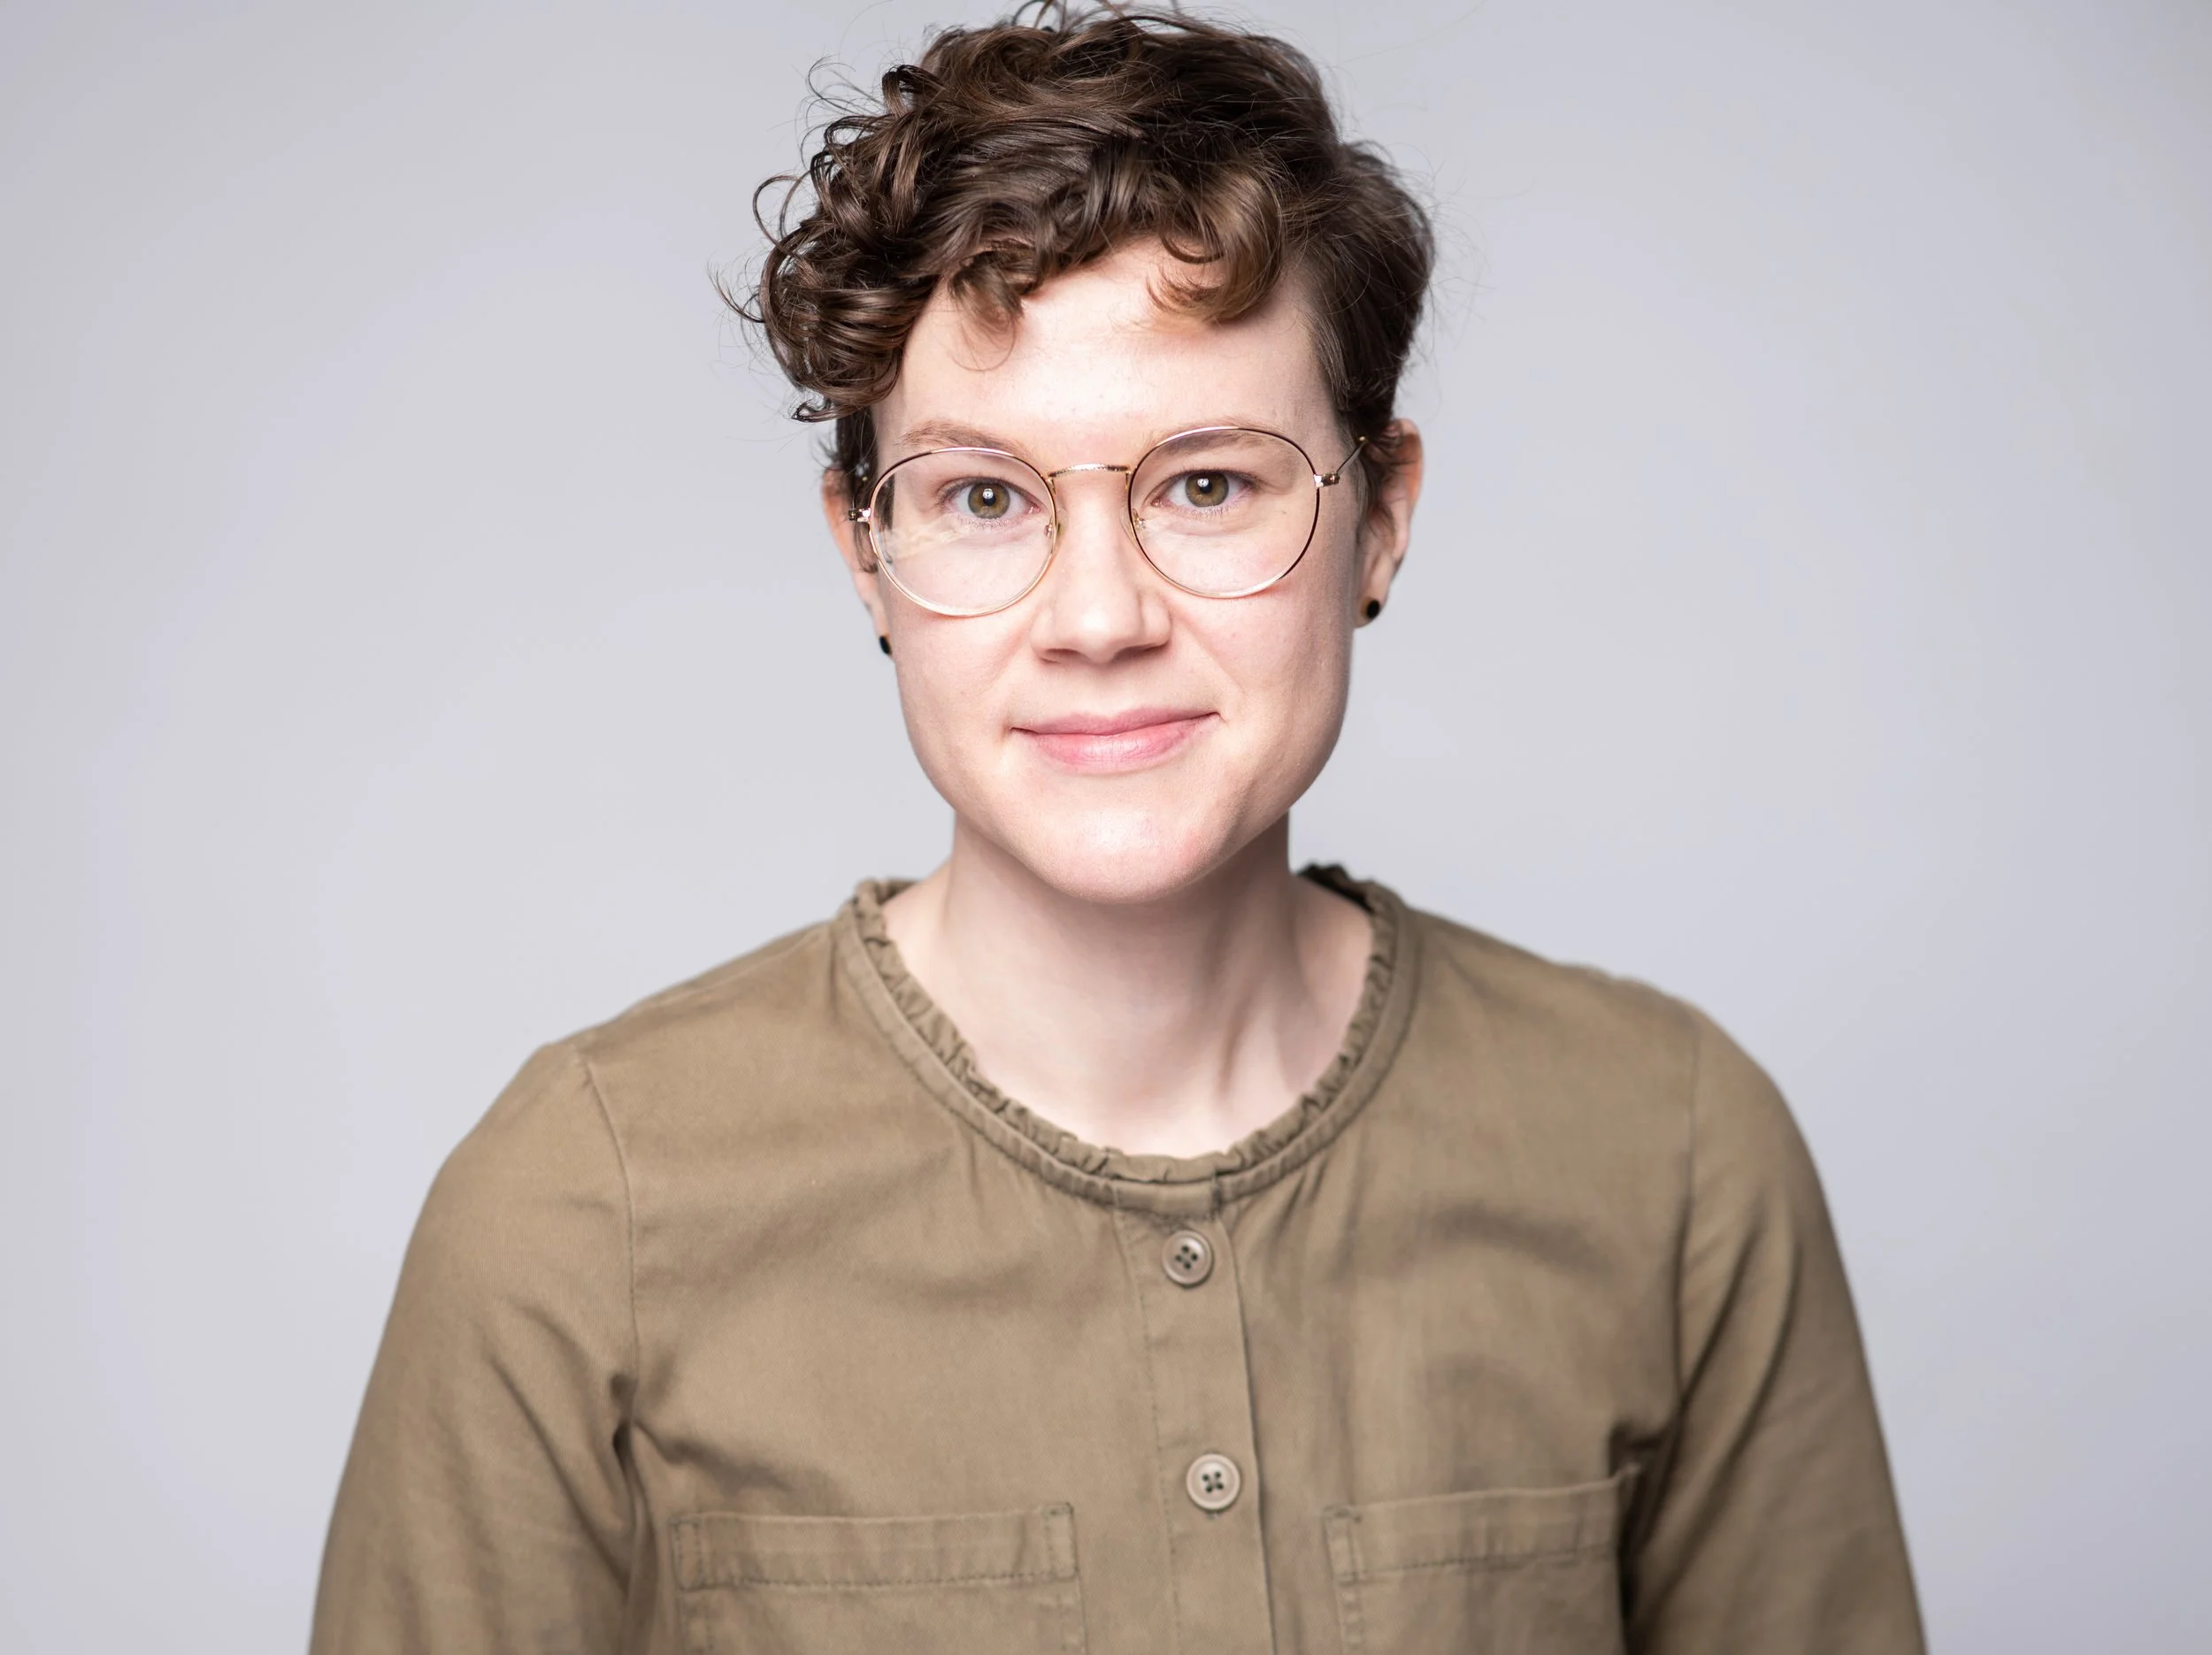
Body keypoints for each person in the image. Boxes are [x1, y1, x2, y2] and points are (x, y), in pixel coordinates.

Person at [311, 8, 1923, 1651]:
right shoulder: (583, 1212)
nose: (1097, 615)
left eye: (1208, 483)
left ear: (1384, 516)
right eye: (983, 496)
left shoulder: (1672, 1157)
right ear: (864, 557)